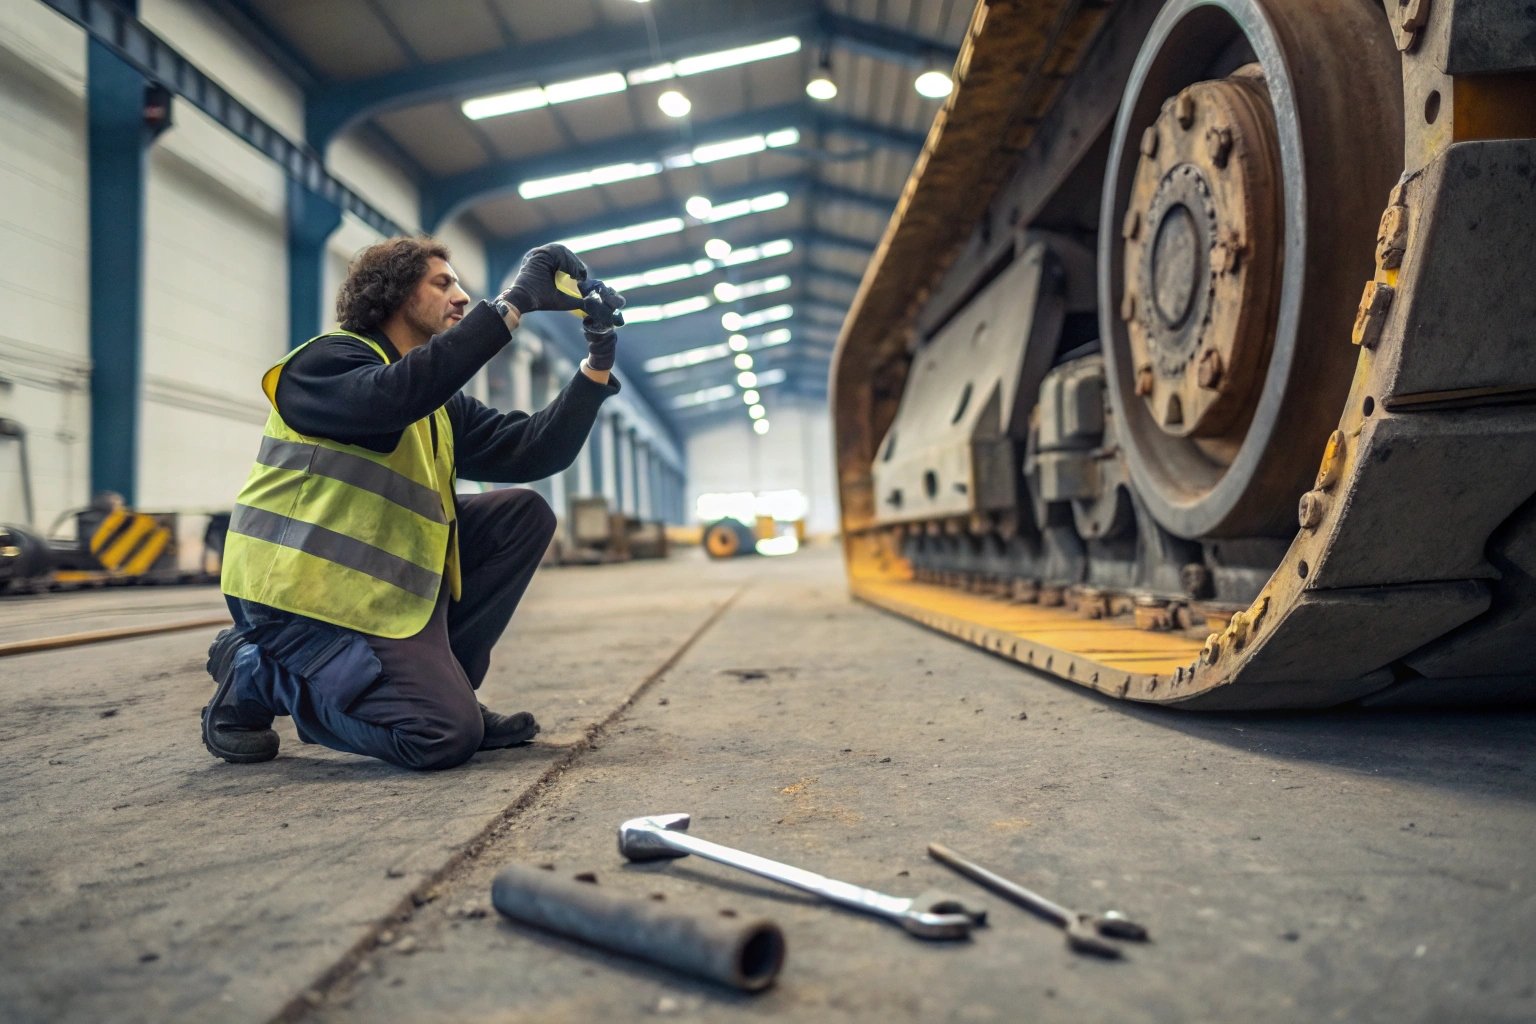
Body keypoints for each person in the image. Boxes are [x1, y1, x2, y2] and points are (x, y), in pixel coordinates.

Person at [201, 236, 624, 770]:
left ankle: (447, 686)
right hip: (293, 600)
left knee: (521, 513)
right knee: (441, 738)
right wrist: (511, 306)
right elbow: (389, 399)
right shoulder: (326, 363)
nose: (463, 297)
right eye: (443, 283)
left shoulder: (437, 403)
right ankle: (253, 669)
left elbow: (534, 450)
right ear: (398, 294)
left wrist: (598, 359)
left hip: (371, 595)